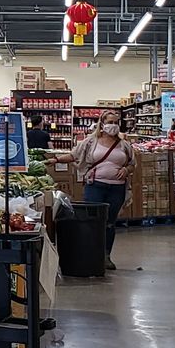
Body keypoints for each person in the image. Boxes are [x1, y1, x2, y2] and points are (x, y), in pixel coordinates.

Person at [55, 108, 135, 271]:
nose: (113, 125)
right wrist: (55, 160)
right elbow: (74, 155)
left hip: (117, 189)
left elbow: (132, 163)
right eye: (109, 122)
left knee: (110, 223)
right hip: (95, 186)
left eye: (115, 122)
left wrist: (126, 170)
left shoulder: (124, 145)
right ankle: (91, 254)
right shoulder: (91, 142)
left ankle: (106, 256)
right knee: (91, 221)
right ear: (102, 124)